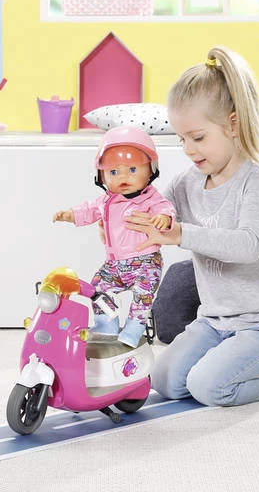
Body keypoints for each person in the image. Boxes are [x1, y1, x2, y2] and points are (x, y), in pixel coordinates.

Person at [126, 45, 259, 406]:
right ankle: (231, 358)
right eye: (181, 139)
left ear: (233, 124)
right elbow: (152, 210)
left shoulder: (257, 183)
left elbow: (247, 245)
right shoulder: (186, 183)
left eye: (198, 137)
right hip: (215, 321)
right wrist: (121, 221)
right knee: (165, 381)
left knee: (209, 388)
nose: (188, 149)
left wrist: (181, 233)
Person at [53, 126, 176, 348]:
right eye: (113, 172)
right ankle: (106, 322)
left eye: (132, 169)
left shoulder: (150, 198)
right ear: (101, 176)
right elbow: (88, 210)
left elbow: (165, 208)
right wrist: (70, 215)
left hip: (146, 262)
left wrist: (164, 218)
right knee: (98, 286)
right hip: (114, 265)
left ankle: (135, 327)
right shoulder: (106, 201)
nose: (123, 177)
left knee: (143, 295)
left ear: (151, 171)